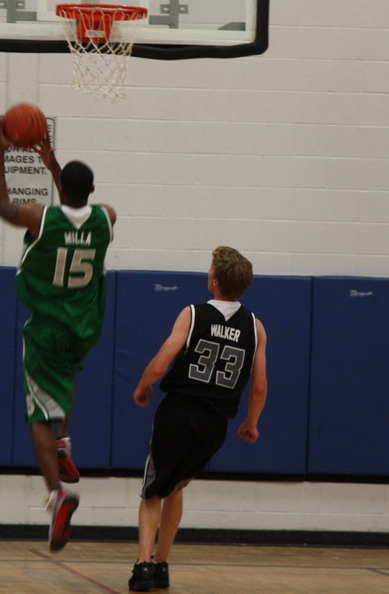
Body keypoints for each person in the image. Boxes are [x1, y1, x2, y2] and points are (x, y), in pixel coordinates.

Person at [0, 121, 116, 552]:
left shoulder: (39, 218)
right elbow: (79, 204)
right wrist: (54, 167)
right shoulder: (107, 217)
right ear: (92, 190)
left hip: (47, 327)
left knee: (37, 415)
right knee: (66, 378)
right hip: (85, 326)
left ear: (61, 189)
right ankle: (64, 442)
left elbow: (1, 203)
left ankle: (56, 496)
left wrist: (1, 152)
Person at [128, 246, 268, 591]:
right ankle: (162, 565)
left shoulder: (193, 313)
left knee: (152, 491)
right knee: (175, 487)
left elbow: (163, 360)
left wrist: (144, 385)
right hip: (215, 424)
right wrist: (251, 422)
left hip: (179, 412)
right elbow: (260, 386)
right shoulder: (256, 327)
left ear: (215, 281)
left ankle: (143, 567)